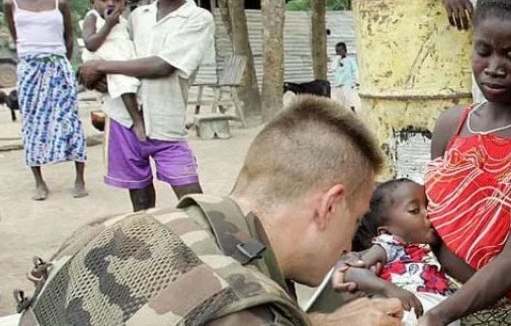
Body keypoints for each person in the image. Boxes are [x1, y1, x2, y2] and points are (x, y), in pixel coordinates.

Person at [15, 96, 404, 325]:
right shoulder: (242, 305)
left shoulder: (108, 227)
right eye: (355, 220)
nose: (349, 243)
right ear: (330, 205)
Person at [337, 0, 511, 325]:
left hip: (510, 308)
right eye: (483, 51)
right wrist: (376, 256)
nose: (495, 67)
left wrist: (439, 316)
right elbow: (427, 224)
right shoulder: (451, 125)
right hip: (434, 288)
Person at [78, 0, 213, 212]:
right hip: (124, 120)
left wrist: (102, 68)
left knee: (193, 202)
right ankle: (149, 248)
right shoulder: (138, 16)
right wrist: (93, 72)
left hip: (166, 122)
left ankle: (209, 249)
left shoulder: (197, 18)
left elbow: (163, 66)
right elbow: (114, 51)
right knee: (140, 200)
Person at [1, 0, 87, 201]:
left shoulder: (59, 2)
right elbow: (17, 37)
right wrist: (31, 60)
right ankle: (39, 182)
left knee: (69, 119)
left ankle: (79, 178)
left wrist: (61, 62)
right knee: (32, 123)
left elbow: (69, 37)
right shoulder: (11, 3)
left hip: (58, 66)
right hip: (29, 68)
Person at [348, 179, 459, 326]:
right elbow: (352, 272)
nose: (427, 213)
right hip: (405, 309)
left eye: (428, 205)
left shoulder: (435, 247)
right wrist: (388, 288)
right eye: (414, 210)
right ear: (386, 231)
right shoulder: (389, 245)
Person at [81, 0, 145, 142]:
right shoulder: (92, 18)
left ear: (124, 4)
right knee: (124, 81)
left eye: (116, 0)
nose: (110, 3)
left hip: (120, 56)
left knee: (132, 82)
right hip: (103, 57)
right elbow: (90, 43)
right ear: (92, 1)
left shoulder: (125, 21)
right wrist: (108, 25)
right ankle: (137, 120)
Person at [333, 42, 360, 112]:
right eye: (337, 51)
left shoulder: (350, 60)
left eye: (340, 51)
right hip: (338, 84)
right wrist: (337, 60)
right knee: (340, 102)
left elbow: (355, 70)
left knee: (349, 100)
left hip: (348, 83)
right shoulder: (336, 61)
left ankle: (353, 112)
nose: (339, 53)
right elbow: (333, 68)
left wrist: (357, 80)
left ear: (345, 51)